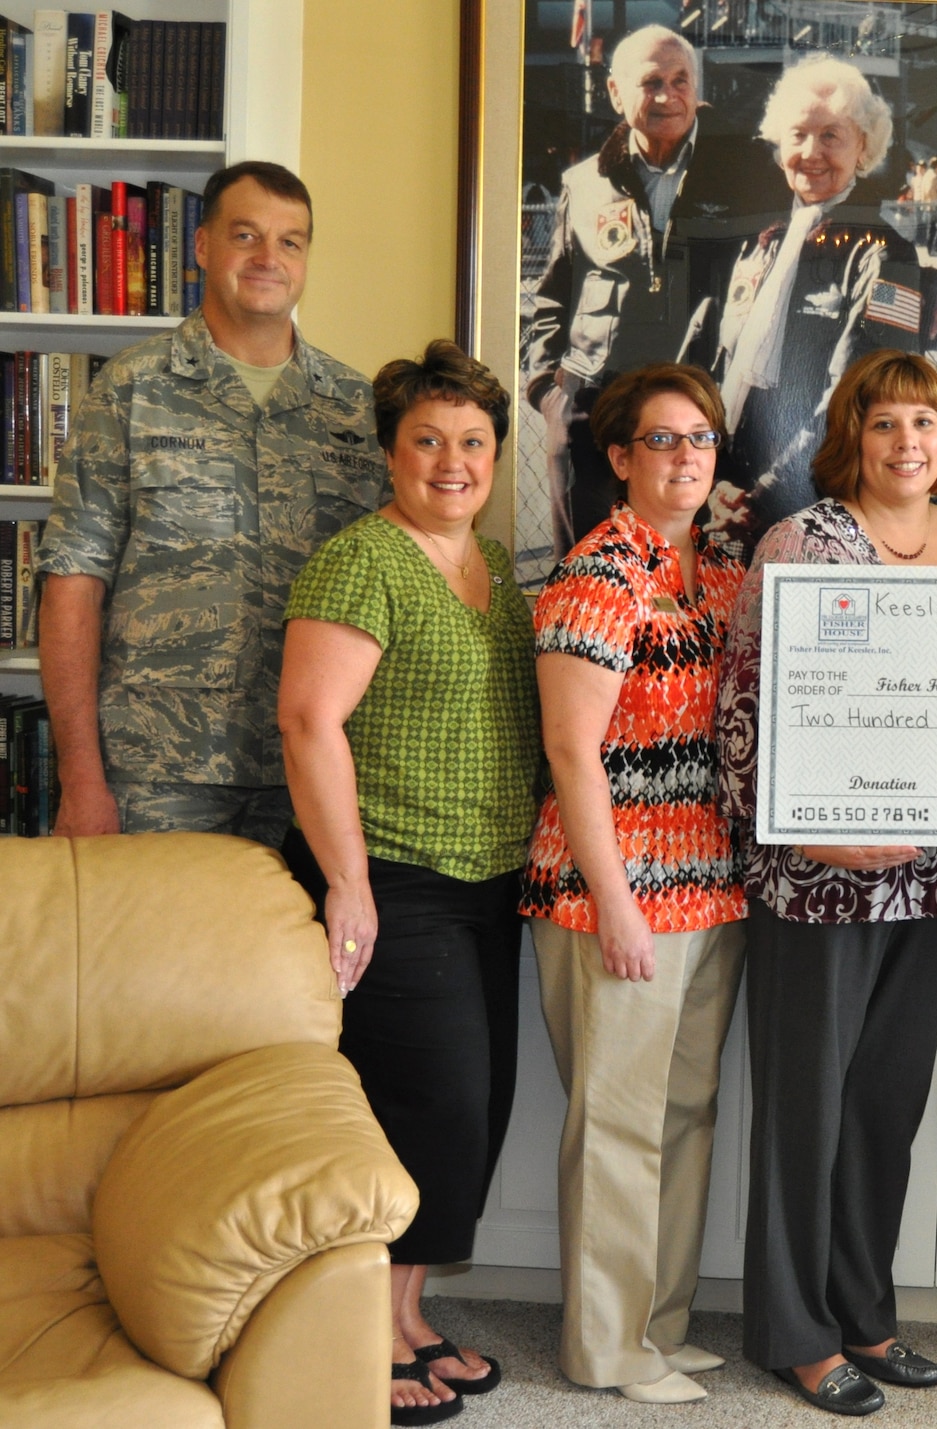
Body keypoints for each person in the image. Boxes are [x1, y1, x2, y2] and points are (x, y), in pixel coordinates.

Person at [716, 349, 937, 1417]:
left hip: (930, 882)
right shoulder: (803, 541)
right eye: (884, 425)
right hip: (815, 886)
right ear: (852, 436)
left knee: (884, 1106)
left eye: (923, 424)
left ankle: (864, 1312)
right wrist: (810, 841)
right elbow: (741, 712)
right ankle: (793, 1332)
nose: (906, 444)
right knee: (806, 1111)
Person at [276, 342, 537, 1427]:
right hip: (391, 876)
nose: (451, 460)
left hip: (489, 879)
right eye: (426, 439)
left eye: (471, 441)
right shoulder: (361, 561)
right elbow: (307, 720)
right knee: (425, 1105)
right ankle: (367, 1337)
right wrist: (346, 882)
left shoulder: (499, 569)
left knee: (471, 1113)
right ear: (390, 452)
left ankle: (411, 1313)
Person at [521, 361, 748, 1405]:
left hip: (708, 888)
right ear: (619, 457)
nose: (685, 457)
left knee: (685, 1111)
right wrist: (615, 902)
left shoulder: (712, 572)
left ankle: (659, 1321)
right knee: (615, 1125)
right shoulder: (599, 572)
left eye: (700, 439)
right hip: (610, 892)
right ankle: (605, 1348)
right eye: (662, 440)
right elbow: (570, 752)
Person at [37, 160, 383, 843]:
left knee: (302, 954)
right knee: (158, 953)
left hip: (312, 764)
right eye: (246, 235)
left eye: (290, 241)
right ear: (201, 247)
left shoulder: (356, 407)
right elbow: (73, 587)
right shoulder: (131, 389)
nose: (268, 258)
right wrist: (81, 777)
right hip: (160, 771)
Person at [522, 24, 777, 555]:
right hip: (592, 415)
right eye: (651, 82)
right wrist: (549, 392)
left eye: (681, 80)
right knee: (589, 573)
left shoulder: (747, 172)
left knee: (693, 573)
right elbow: (552, 297)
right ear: (616, 93)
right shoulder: (583, 183)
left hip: (697, 417)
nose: (668, 95)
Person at [704, 53, 933, 559]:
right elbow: (719, 369)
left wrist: (763, 494)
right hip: (727, 488)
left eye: (831, 135)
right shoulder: (759, 242)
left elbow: (861, 396)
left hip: (814, 497)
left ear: (863, 148)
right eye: (798, 135)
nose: (811, 151)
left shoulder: (886, 252)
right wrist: (710, 477)